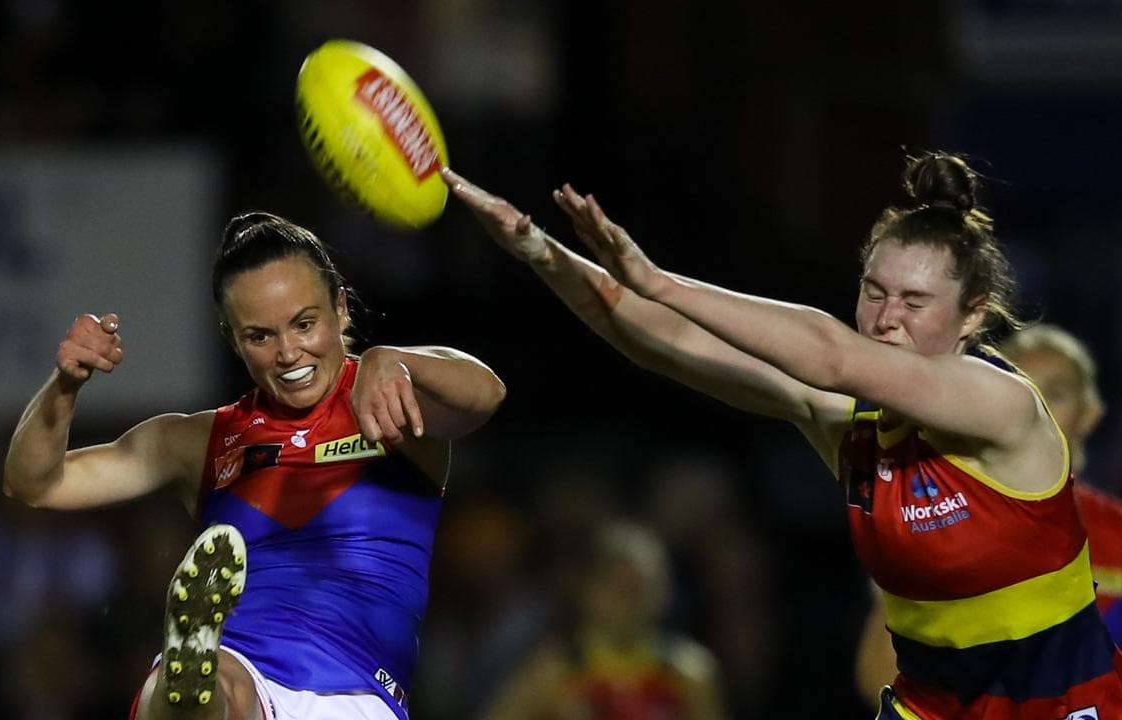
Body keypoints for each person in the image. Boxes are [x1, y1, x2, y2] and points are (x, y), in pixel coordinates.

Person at [442, 152, 1122, 718]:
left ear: (972, 317)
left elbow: (828, 351)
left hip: (1066, 707)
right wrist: (539, 251)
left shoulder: (1002, 404)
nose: (887, 319)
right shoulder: (843, 423)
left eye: (915, 303)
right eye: (874, 292)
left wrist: (658, 279)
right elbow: (659, 338)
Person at [2, 211, 506, 720]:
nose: (289, 352)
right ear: (233, 339)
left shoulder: (394, 401)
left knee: (211, 687)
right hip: (241, 669)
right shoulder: (200, 440)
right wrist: (66, 384)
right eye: (261, 336)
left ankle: (192, 682)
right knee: (212, 681)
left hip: (353, 694)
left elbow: (486, 395)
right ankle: (190, 668)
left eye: (304, 324)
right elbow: (36, 483)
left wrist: (397, 360)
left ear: (341, 309)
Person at [855, 323, 1122, 708]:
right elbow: (878, 672)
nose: (1037, 410)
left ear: (1090, 414)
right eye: (1018, 391)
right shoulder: (941, 521)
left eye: (1056, 394)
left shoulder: (1116, 533)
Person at [481, 519, 727, 720]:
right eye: (620, 587)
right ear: (588, 591)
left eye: (640, 588)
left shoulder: (690, 673)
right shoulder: (553, 675)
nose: (631, 602)